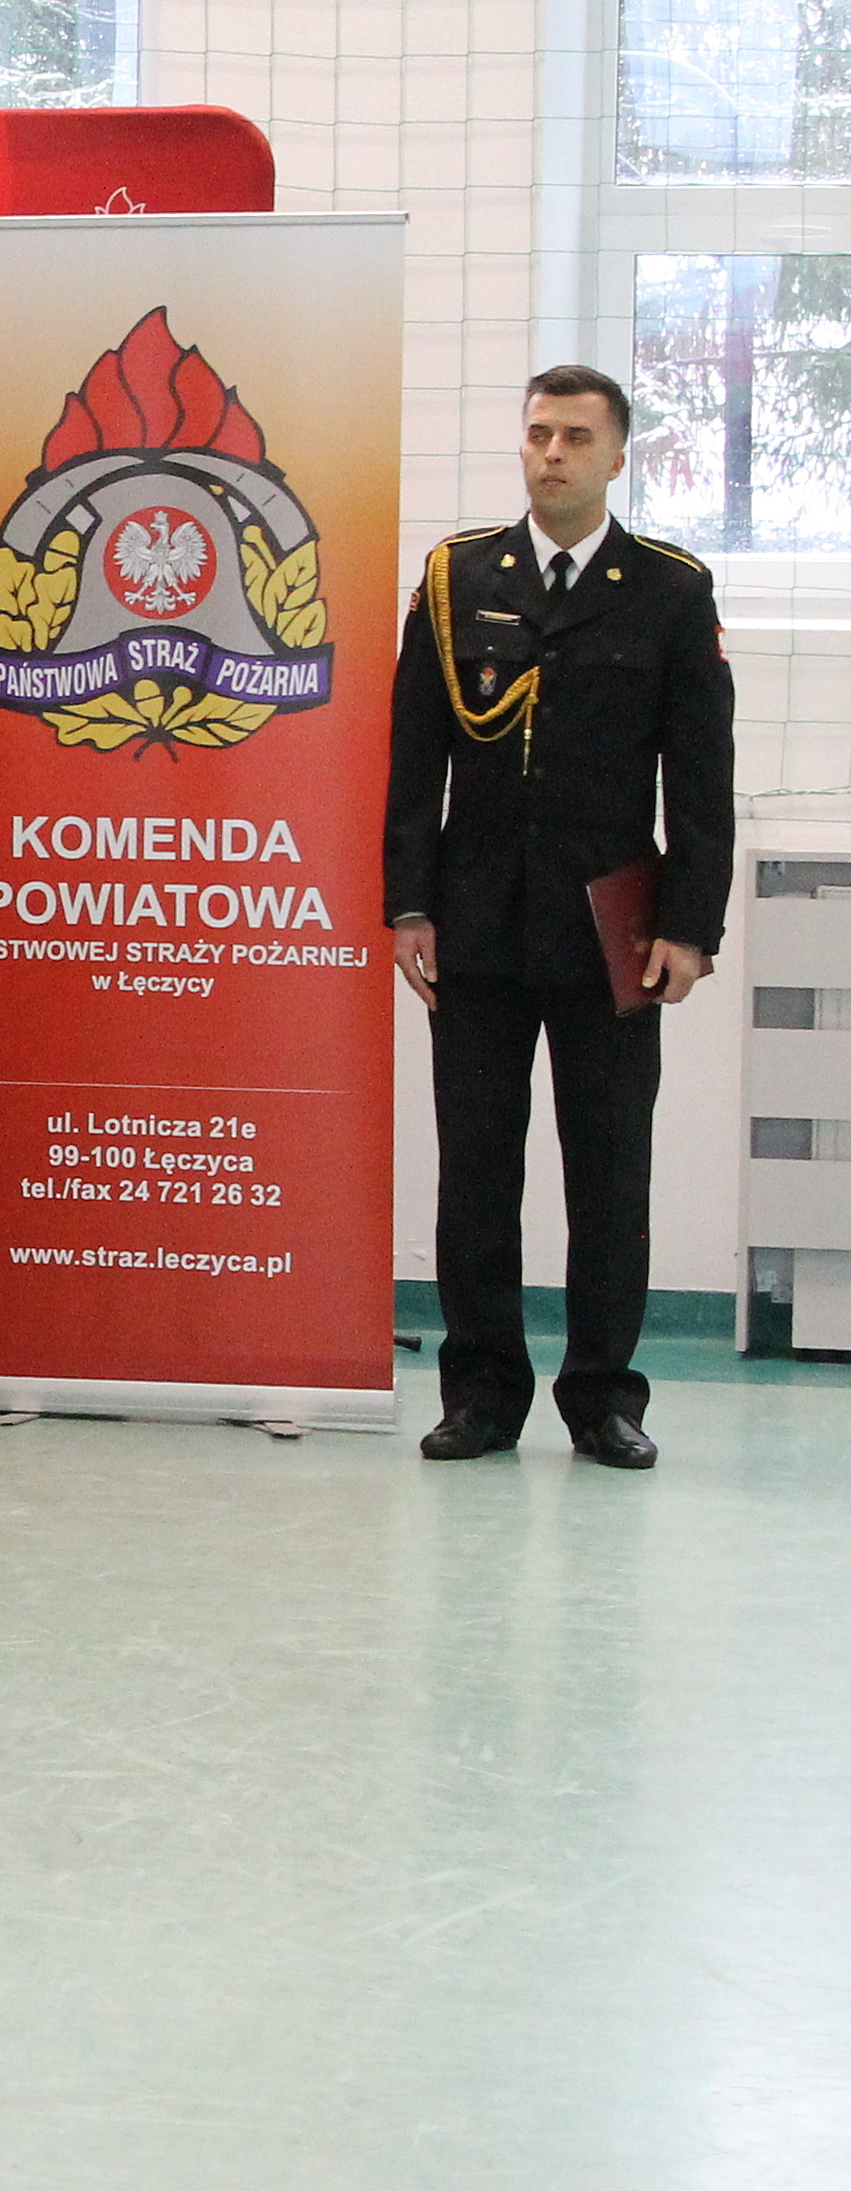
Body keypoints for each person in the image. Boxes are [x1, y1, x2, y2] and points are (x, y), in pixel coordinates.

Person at [388, 366, 734, 1469]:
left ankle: (602, 1398)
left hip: (611, 932)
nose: (552, 454)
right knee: (475, 1172)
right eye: (538, 433)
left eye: (577, 438)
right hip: (477, 924)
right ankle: (482, 1393)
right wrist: (408, 903)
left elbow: (700, 779)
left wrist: (690, 926)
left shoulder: (668, 590)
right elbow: (415, 760)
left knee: (610, 1173)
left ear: (616, 457)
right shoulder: (455, 579)